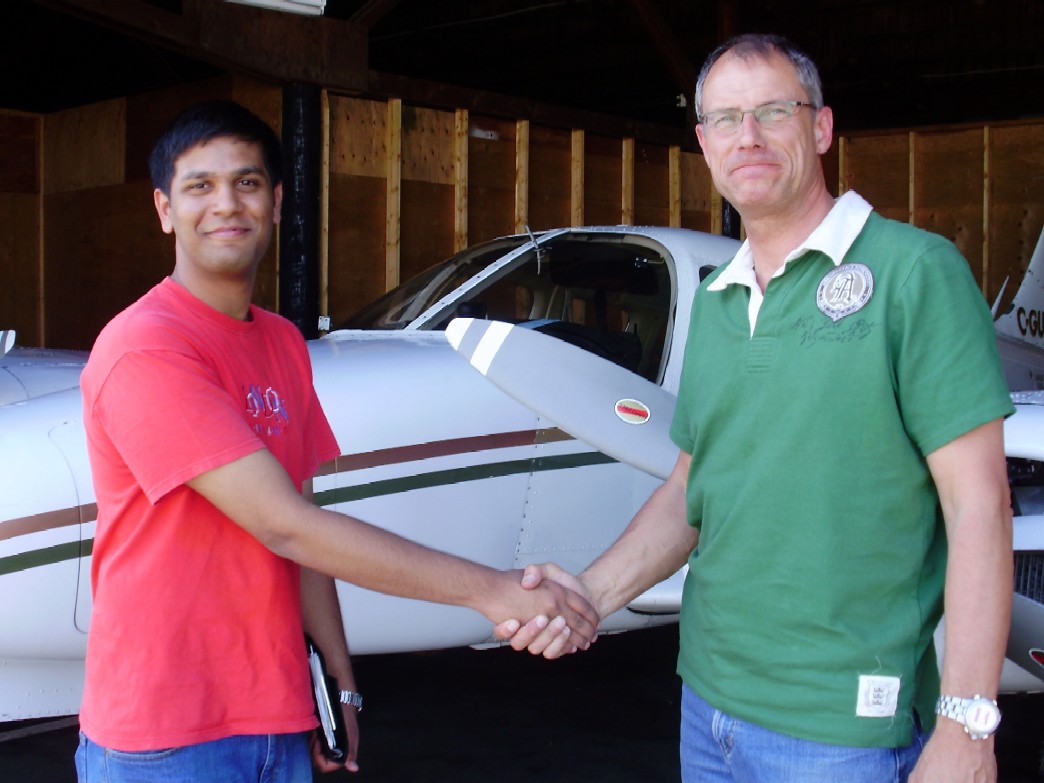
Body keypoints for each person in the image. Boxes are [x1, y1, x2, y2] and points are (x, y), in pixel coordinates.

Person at [501, 33, 1014, 783]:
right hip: (708, 709)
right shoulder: (716, 300)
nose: (750, 136)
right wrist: (589, 592)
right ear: (704, 143)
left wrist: (969, 723)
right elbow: (691, 487)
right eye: (726, 118)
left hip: (843, 731)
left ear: (822, 127)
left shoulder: (915, 273)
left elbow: (980, 507)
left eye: (775, 111)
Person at [74, 100, 597, 782]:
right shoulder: (147, 345)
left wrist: (337, 683)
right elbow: (284, 525)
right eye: (199, 185)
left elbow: (304, 523)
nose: (226, 203)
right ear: (165, 208)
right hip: (164, 735)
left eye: (248, 182)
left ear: (277, 200)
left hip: (280, 717)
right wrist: (494, 591)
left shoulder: (284, 343)